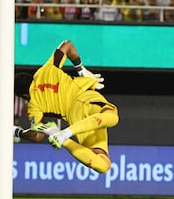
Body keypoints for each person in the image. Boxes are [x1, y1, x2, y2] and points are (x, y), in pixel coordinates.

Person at [14, 40, 119, 174]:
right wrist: (81, 69)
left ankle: (62, 137)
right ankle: (65, 134)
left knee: (103, 165)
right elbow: (67, 45)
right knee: (112, 116)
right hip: (86, 99)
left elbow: (37, 136)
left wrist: (16, 132)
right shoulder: (47, 69)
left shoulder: (34, 106)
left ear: (23, 95)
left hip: (76, 118)